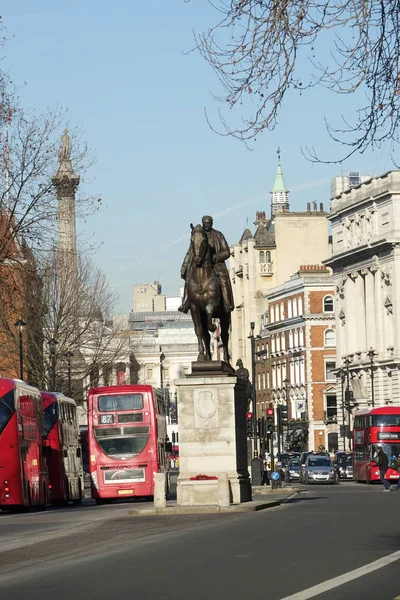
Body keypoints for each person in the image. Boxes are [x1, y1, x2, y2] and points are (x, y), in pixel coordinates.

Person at [179, 215, 234, 314]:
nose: (207, 225)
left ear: (212, 223)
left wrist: (216, 257)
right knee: (188, 279)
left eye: (208, 223)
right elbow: (190, 252)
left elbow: (227, 252)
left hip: (215, 264)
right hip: (198, 264)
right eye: (205, 223)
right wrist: (184, 265)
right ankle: (185, 303)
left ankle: (227, 303)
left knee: (223, 279)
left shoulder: (218, 235)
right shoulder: (198, 235)